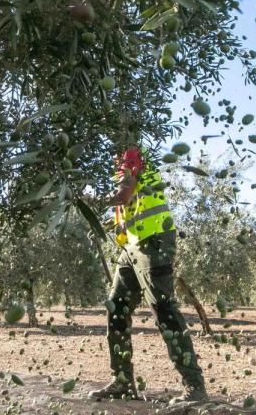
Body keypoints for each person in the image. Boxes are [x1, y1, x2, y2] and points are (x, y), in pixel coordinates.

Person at [87, 145, 206, 403]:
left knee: (164, 310)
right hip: (131, 246)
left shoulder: (131, 154)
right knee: (116, 308)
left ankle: (195, 387)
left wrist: (88, 201)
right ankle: (122, 383)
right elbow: (131, 202)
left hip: (153, 242)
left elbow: (124, 195)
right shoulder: (125, 165)